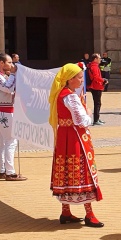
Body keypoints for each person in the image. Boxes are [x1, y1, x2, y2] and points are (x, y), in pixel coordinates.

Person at [48, 63, 105, 227]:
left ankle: (65, 211)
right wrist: (89, 114)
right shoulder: (70, 96)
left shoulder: (61, 94)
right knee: (82, 172)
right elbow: (80, 120)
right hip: (75, 138)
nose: (82, 80)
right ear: (70, 79)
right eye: (79, 77)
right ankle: (89, 214)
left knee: (66, 171)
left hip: (65, 137)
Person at [0, 53, 26, 181]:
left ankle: (3, 170)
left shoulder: (4, 76)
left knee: (4, 141)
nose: (12, 65)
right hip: (2, 111)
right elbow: (7, 87)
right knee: (11, 139)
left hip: (4, 110)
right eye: (9, 62)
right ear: (1, 63)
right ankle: (10, 172)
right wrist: (14, 75)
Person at [86, 53, 106, 126]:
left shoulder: (93, 66)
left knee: (97, 103)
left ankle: (97, 118)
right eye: (99, 58)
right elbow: (96, 77)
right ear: (95, 59)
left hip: (95, 86)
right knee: (97, 103)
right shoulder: (94, 67)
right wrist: (103, 80)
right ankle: (96, 120)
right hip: (96, 87)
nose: (100, 59)